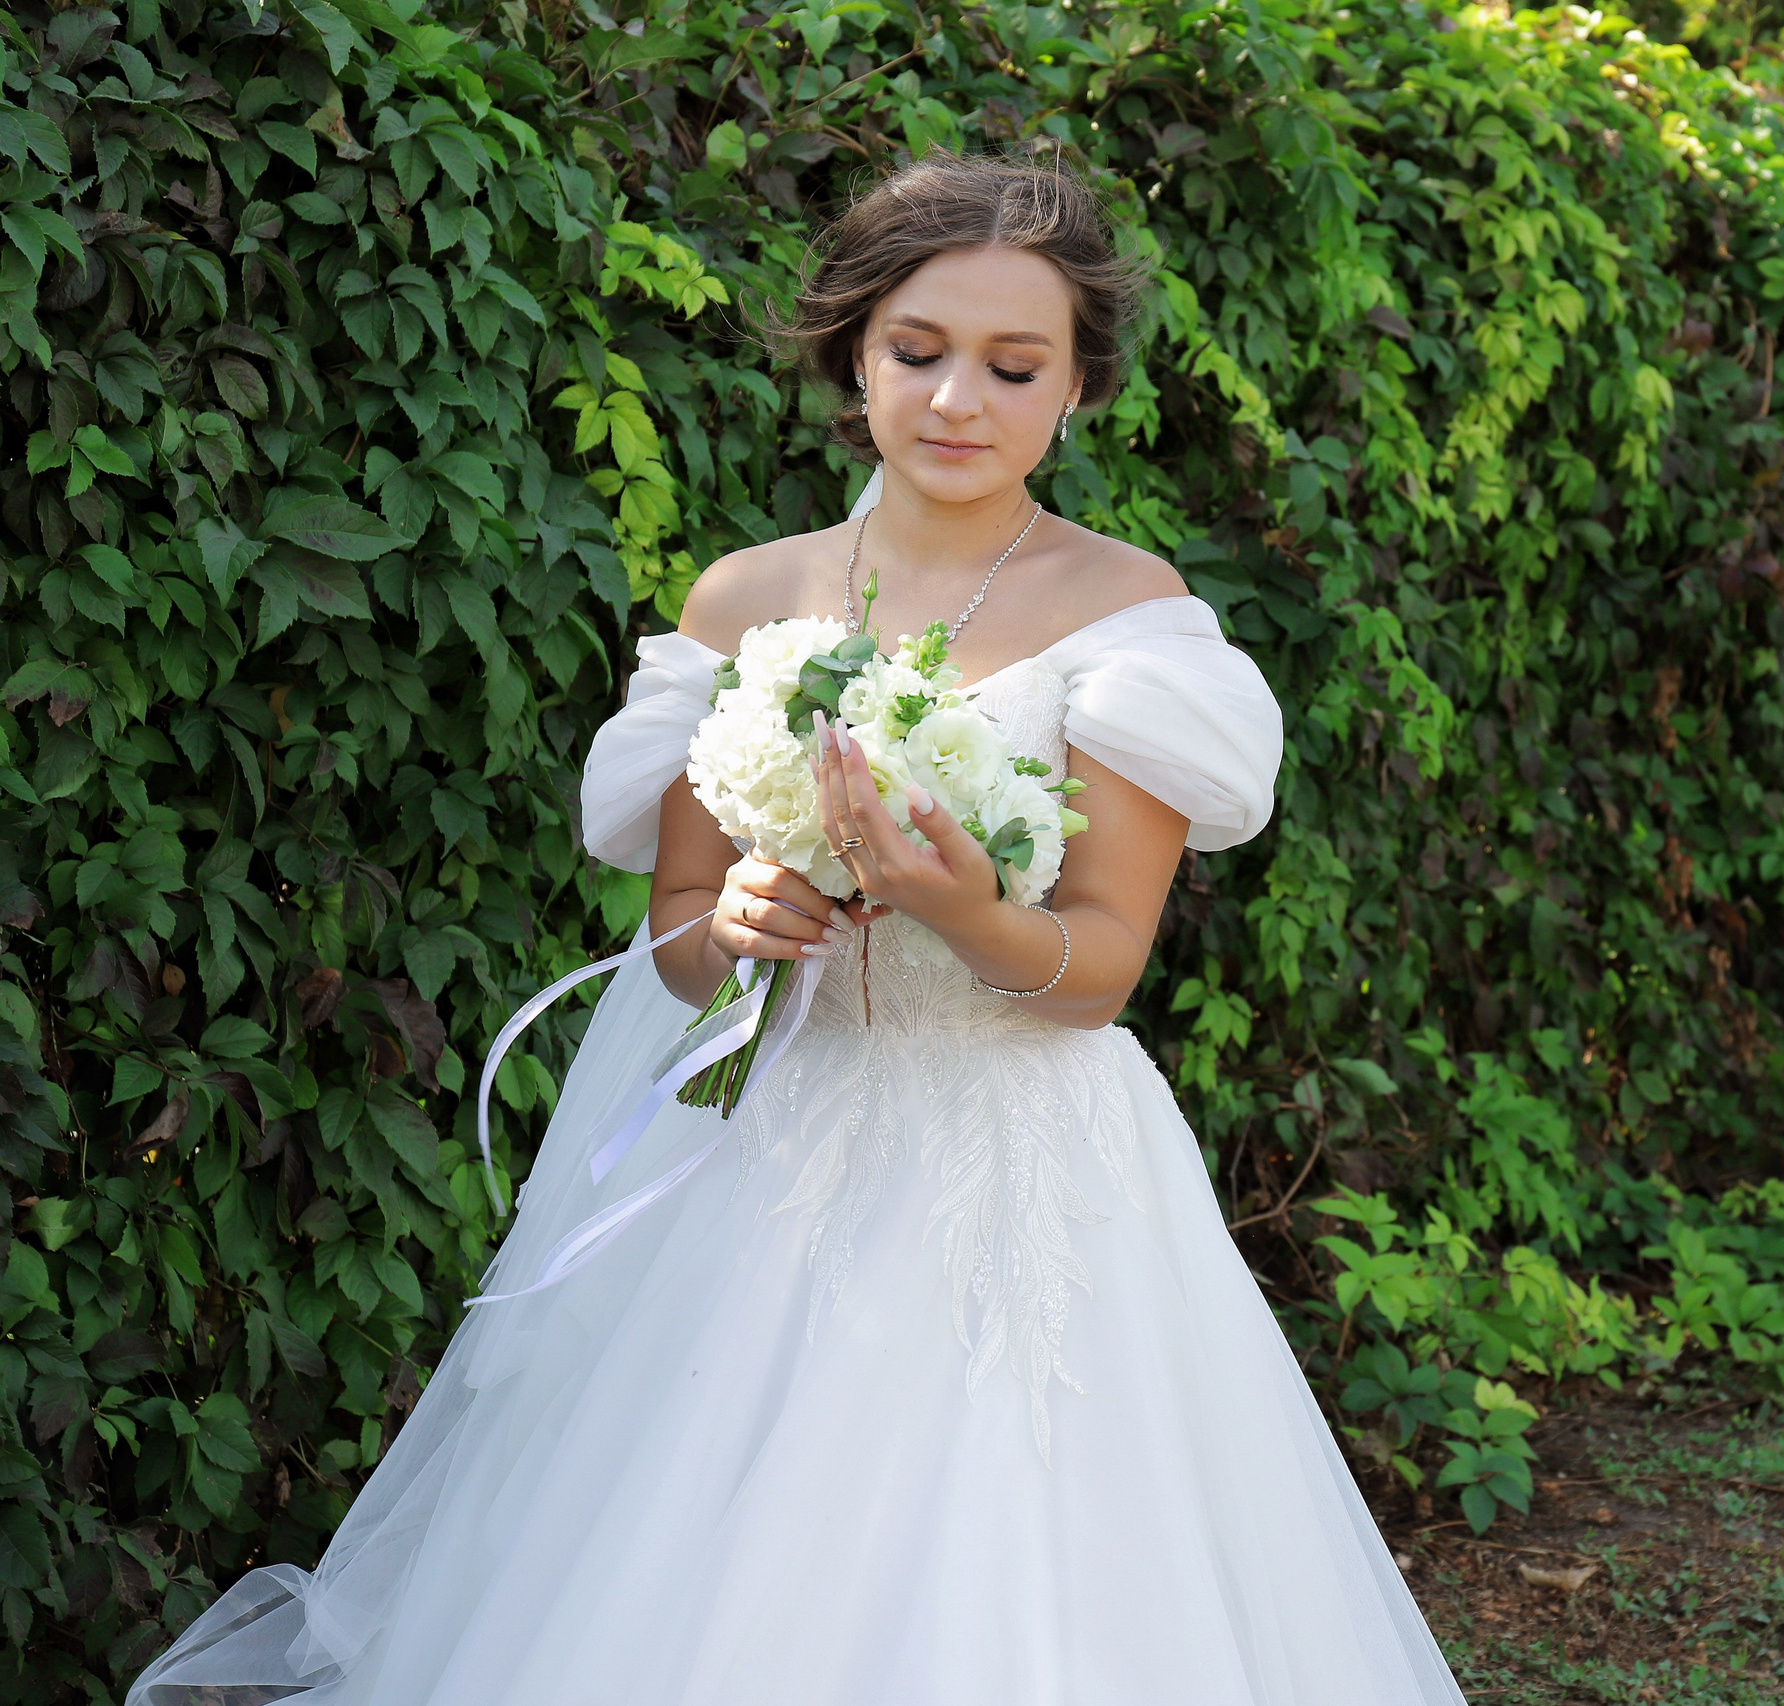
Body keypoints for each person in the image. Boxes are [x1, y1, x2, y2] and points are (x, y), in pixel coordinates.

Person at [129, 155, 1466, 1706]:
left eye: (1013, 365)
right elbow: (682, 935)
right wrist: (742, 922)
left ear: (1078, 386)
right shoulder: (744, 603)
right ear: (855, 353)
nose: (958, 396)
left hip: (1017, 1163)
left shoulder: (1126, 617)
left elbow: (1099, 967)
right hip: (759, 1151)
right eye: (918, 349)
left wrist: (962, 904)